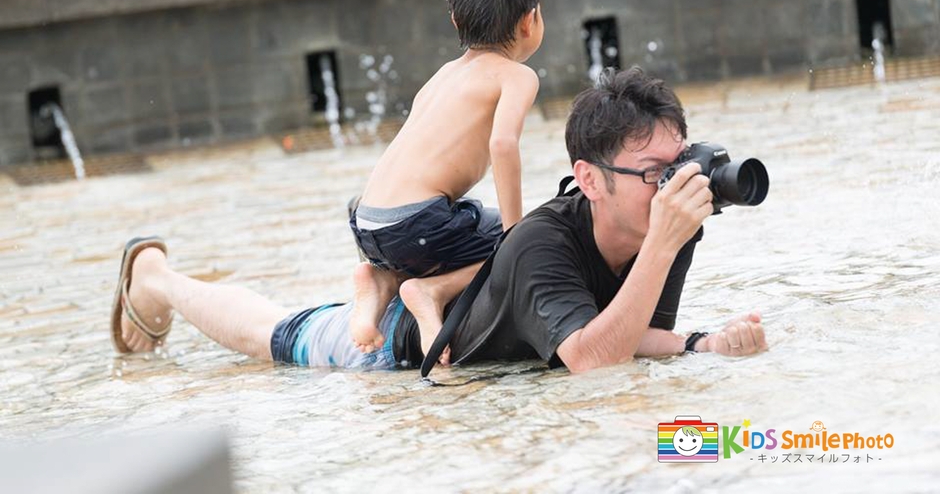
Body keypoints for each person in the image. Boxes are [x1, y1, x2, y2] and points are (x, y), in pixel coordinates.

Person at [109, 67, 767, 371]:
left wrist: (701, 343)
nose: (674, 184)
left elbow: (630, 335)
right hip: (397, 348)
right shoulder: (549, 240)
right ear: (589, 177)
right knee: (274, 333)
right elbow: (592, 359)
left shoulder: (666, 220)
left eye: (677, 166)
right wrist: (662, 245)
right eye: (654, 172)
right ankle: (158, 276)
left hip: (467, 318)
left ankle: (386, 280)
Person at [346, 0, 543, 364]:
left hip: (368, 223)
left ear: (455, 20)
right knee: (521, 240)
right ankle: (429, 291)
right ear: (530, 21)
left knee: (459, 219)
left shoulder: (443, 75)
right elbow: (503, 145)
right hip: (418, 223)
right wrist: (514, 233)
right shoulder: (517, 76)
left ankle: (381, 280)